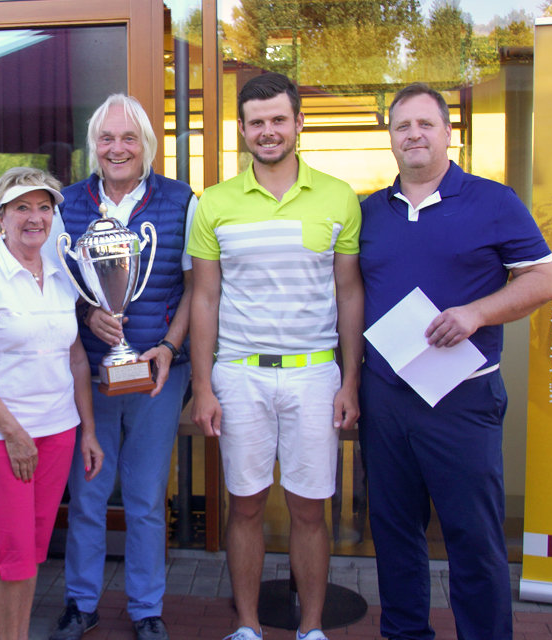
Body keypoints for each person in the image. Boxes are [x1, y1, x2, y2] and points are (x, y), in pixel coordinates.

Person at [358, 82, 552, 640]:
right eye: (402, 126)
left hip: (462, 397)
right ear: (391, 138)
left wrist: (476, 313)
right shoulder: (369, 211)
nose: (414, 134)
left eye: (425, 124)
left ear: (449, 133)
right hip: (387, 396)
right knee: (395, 533)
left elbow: (544, 280)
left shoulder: (495, 202)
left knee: (473, 536)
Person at [188, 72, 364, 640]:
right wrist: (205, 387)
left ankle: (310, 628)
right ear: (242, 129)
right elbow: (205, 298)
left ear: (298, 123)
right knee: (244, 504)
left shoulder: (339, 197)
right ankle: (247, 626)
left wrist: (350, 382)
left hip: (315, 373)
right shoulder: (214, 203)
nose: (268, 131)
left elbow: (349, 292)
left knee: (310, 510)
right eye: (256, 122)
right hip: (240, 375)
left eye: (278, 120)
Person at [51, 93, 197, 640]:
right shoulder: (64, 204)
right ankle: (80, 602)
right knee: (88, 493)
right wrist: (88, 314)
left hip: (158, 377)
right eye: (107, 138)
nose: (118, 148)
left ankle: (146, 608)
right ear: (94, 146)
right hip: (89, 376)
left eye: (129, 138)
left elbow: (197, 290)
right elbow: (48, 287)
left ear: (147, 146)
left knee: (144, 496)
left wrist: (171, 346)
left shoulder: (182, 202)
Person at [0, 167, 104, 640]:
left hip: (56, 433)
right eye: (22, 207)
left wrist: (89, 431)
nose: (35, 218)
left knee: (32, 552)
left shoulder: (61, 275)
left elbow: (76, 357)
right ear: (1, 217)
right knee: (12, 554)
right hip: (1, 440)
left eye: (44, 207)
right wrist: (14, 434)